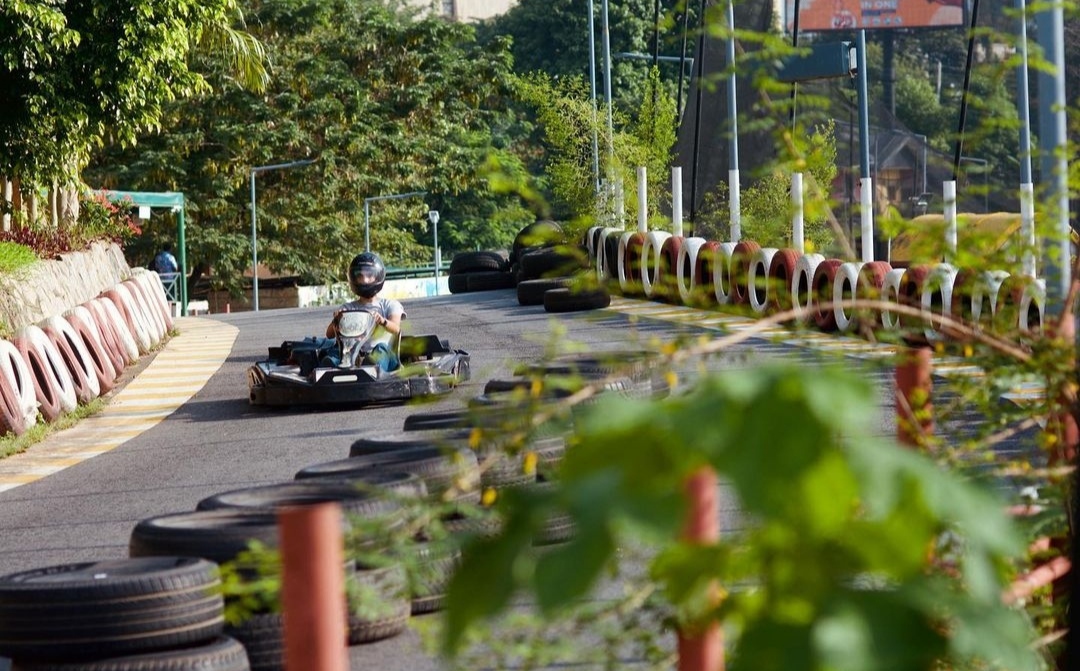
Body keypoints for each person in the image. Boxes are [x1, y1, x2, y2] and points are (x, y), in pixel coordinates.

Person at [325, 252, 405, 372]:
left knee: (380, 349)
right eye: (360, 276)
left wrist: (382, 321)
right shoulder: (348, 308)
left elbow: (396, 329)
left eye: (369, 275)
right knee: (338, 351)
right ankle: (329, 367)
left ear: (378, 277)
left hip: (385, 358)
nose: (364, 280)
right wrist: (337, 321)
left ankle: (371, 366)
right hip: (353, 357)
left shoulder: (390, 305)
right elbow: (329, 334)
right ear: (354, 279)